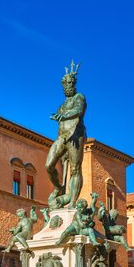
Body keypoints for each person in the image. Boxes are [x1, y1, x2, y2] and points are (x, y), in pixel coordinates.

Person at [45, 60, 87, 208]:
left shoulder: (79, 97)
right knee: (49, 165)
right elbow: (60, 125)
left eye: (70, 83)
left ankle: (73, 202)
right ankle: (58, 187)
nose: (67, 86)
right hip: (62, 138)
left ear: (73, 84)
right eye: (65, 84)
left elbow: (78, 111)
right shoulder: (61, 105)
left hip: (76, 136)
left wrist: (65, 115)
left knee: (75, 169)